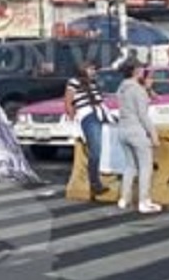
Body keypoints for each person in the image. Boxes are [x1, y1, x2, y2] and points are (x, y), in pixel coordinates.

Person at [116, 62, 161, 214]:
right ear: (135, 72)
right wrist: (154, 135)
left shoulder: (121, 88)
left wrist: (147, 88)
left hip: (122, 129)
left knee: (130, 166)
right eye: (141, 69)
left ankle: (124, 198)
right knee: (145, 166)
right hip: (137, 130)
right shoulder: (138, 90)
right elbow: (143, 115)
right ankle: (144, 201)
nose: (144, 72)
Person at [65, 60, 112, 198]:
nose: (93, 71)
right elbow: (68, 101)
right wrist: (73, 118)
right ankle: (94, 183)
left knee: (103, 146)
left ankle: (102, 176)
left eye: (94, 69)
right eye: (90, 69)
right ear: (83, 69)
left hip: (99, 113)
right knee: (95, 149)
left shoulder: (93, 83)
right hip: (87, 115)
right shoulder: (74, 81)